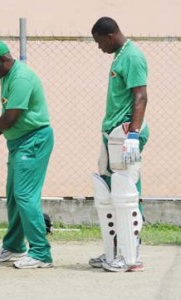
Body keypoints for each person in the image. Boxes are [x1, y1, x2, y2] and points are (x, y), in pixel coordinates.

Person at [0, 40, 54, 269]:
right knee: (13, 194)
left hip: (34, 141)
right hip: (20, 142)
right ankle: (14, 245)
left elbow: (12, 117)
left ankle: (41, 252)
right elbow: (10, 116)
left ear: (3, 59)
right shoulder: (7, 76)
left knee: (25, 195)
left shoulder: (20, 78)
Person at [89, 17, 149, 272]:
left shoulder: (132, 56)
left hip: (126, 133)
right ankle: (114, 251)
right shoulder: (120, 55)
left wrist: (133, 135)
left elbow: (141, 96)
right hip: (113, 133)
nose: (99, 47)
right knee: (110, 193)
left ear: (110, 36)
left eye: (99, 42)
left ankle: (131, 256)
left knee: (126, 194)